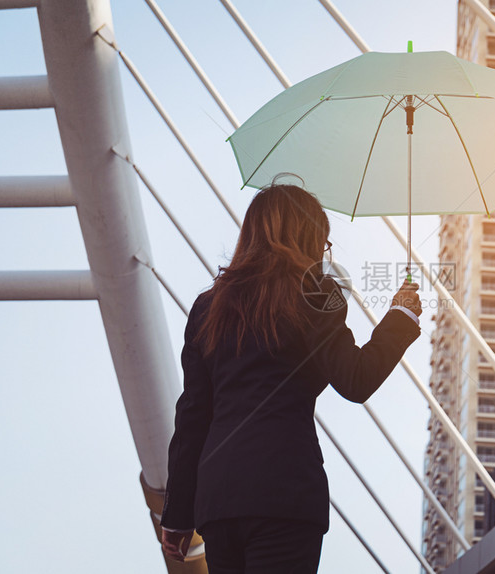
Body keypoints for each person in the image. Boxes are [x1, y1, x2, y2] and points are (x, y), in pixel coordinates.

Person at [158, 179, 422, 573]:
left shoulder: (207, 307)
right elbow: (355, 379)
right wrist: (401, 317)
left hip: (219, 502)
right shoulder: (317, 291)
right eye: (323, 243)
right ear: (308, 239)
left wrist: (177, 513)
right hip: (285, 495)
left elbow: (193, 415)